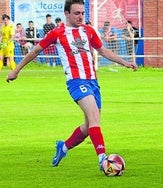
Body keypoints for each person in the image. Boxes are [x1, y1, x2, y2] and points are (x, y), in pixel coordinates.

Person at [6, 0, 138, 171]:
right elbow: (36, 50)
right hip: (76, 82)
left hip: (93, 81)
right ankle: (103, 159)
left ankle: (63, 147)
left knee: (89, 125)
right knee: (94, 118)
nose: (80, 16)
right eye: (76, 13)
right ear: (66, 14)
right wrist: (16, 70)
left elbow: (103, 51)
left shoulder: (88, 31)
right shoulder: (58, 33)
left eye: (82, 13)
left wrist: (124, 62)